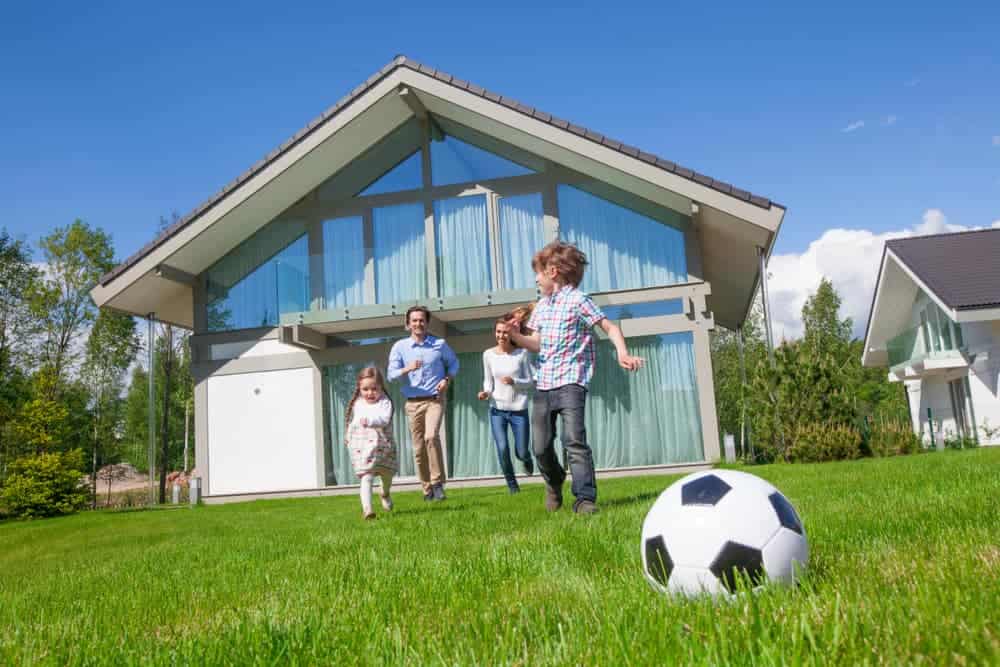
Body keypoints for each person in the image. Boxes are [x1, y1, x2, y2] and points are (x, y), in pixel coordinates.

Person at [503, 241, 644, 514]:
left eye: (538, 273)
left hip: (571, 382)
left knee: (574, 441)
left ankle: (584, 499)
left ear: (553, 271)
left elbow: (610, 327)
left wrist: (622, 353)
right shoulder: (542, 306)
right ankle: (554, 480)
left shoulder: (579, 301)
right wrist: (516, 336)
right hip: (543, 383)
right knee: (540, 447)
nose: (535, 278)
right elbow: (537, 343)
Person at [387, 305, 459, 502]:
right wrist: (406, 369)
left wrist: (447, 379)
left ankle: (437, 484)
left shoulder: (439, 344)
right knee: (418, 449)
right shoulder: (400, 347)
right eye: (414, 320)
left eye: (422, 320)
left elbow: (454, 363)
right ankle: (426, 489)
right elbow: (391, 375)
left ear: (427, 323)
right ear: (408, 324)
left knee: (431, 436)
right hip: (412, 403)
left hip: (434, 400)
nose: (418, 323)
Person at [478, 315, 536, 494]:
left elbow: (532, 380)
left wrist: (515, 382)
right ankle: (513, 487)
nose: (501, 336)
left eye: (505, 332)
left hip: (519, 410)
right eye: (498, 332)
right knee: (502, 448)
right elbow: (488, 382)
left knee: (521, 451)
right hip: (497, 410)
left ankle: (526, 459)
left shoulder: (522, 354)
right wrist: (486, 393)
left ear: (511, 334)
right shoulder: (488, 354)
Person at [344, 366, 397, 520]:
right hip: (363, 446)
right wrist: (348, 435)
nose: (370, 393)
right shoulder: (358, 404)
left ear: (381, 387)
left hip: (383, 444)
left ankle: (384, 492)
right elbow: (354, 422)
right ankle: (367, 510)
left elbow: (385, 419)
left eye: (374, 389)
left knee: (387, 475)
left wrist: (371, 421)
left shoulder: (385, 402)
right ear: (359, 388)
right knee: (366, 476)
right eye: (365, 389)